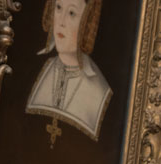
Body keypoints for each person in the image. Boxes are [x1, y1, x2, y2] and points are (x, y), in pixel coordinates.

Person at [26, 0, 112, 143]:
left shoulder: (99, 90)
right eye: (58, 8)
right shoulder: (37, 69)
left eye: (72, 13)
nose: (61, 21)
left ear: (88, 22)